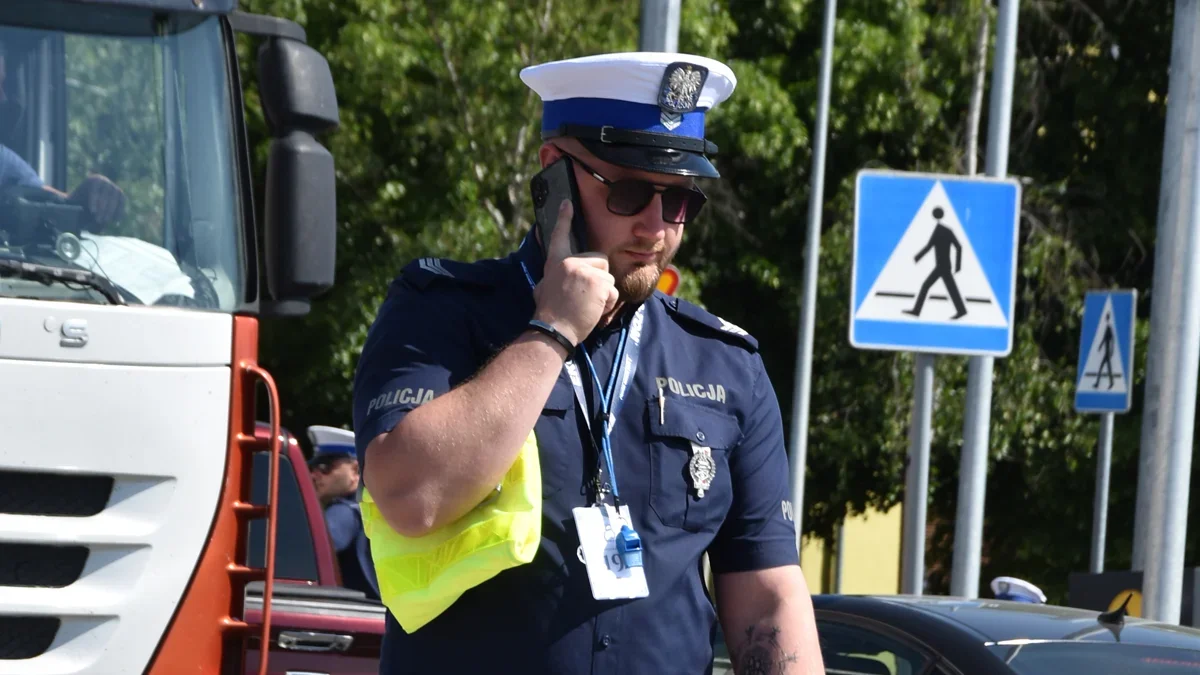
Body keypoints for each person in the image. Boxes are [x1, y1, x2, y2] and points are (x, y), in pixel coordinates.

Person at [352, 52, 824, 674]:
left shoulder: (725, 362)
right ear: (556, 176)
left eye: (680, 200)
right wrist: (551, 330)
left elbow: (768, 600)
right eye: (630, 192)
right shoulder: (441, 311)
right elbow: (412, 498)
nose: (657, 226)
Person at [307, 425, 379, 600]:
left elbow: (306, 553)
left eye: (325, 467)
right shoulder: (367, 508)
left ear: (355, 471)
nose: (315, 475)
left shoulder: (344, 512)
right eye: (313, 467)